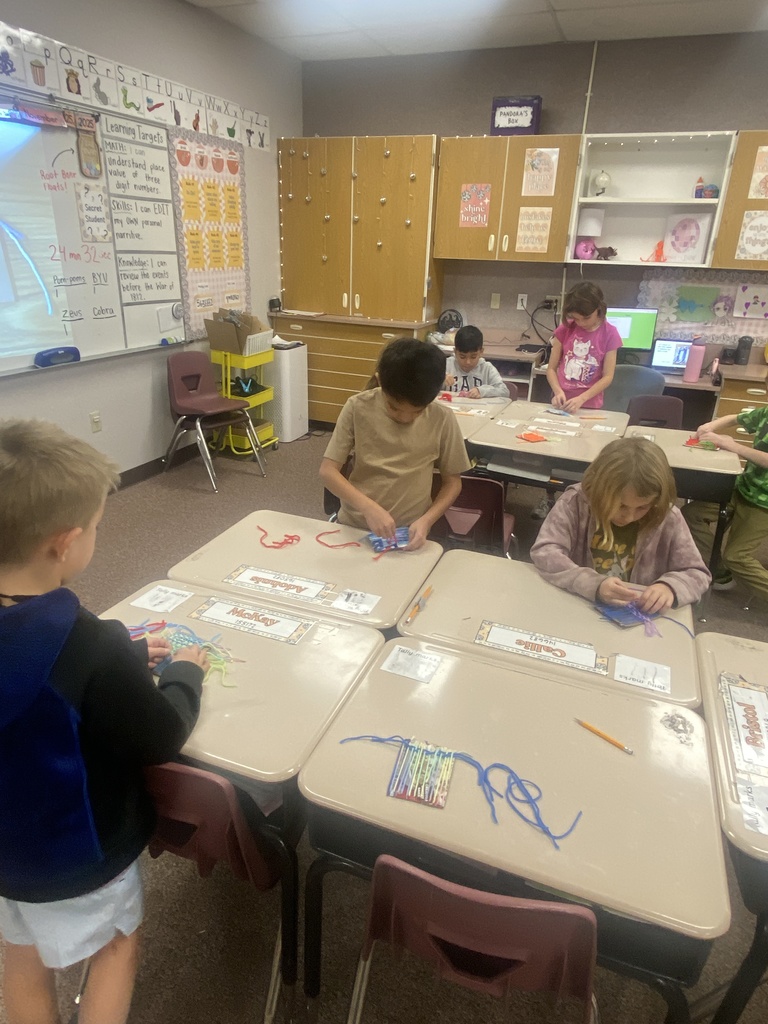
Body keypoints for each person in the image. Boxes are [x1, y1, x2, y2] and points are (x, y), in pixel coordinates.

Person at [0, 419, 207, 1024]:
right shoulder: (89, 646)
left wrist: (123, 651)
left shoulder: (89, 647)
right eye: (95, 527)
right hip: (81, 851)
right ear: (64, 543)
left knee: (20, 953)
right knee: (117, 950)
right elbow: (162, 734)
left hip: (7, 852)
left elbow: (37, 674)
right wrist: (184, 675)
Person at [320, 337, 471, 550]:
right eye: (394, 408)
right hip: (355, 527)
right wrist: (368, 507)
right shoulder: (358, 407)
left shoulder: (442, 418)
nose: (405, 418)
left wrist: (427, 520)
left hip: (409, 533)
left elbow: (453, 483)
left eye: (417, 411)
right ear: (380, 381)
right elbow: (328, 471)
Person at [530, 436, 710, 613]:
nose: (629, 516)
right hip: (580, 607)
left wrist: (669, 587)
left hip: (637, 616)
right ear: (598, 490)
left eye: (642, 507)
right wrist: (592, 583)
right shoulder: (576, 502)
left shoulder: (667, 517)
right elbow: (545, 552)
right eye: (621, 505)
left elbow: (697, 573)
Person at [533, 281, 622, 519]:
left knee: (585, 456)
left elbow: (608, 376)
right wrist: (557, 390)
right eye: (576, 318)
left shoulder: (610, 333)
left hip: (589, 407)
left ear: (599, 309)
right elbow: (551, 369)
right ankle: (549, 498)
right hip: (560, 405)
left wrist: (582, 397)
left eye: (585, 318)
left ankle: (581, 504)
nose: (580, 323)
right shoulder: (565, 329)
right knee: (554, 452)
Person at [681, 409, 768, 598]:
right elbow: (735, 418)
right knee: (690, 515)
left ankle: (724, 567)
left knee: (736, 557)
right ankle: (719, 572)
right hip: (743, 488)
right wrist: (710, 426)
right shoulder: (765, 412)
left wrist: (733, 446)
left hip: (763, 504)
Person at [443, 325, 508, 399]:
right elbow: (428, 388)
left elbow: (504, 391)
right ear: (455, 352)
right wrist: (440, 379)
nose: (468, 362)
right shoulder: (446, 365)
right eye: (462, 357)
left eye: (473, 357)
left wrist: (482, 391)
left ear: (481, 352)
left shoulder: (487, 369)